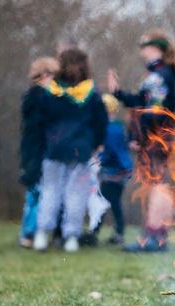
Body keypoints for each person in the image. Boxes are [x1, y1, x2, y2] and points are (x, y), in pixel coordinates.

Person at [107, 28, 175, 252]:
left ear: (156, 48)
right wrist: (118, 93)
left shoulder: (162, 74)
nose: (142, 52)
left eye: (145, 47)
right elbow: (141, 101)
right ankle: (158, 237)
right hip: (156, 137)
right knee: (159, 185)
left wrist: (140, 136)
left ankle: (153, 237)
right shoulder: (158, 73)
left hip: (157, 138)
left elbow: (154, 111)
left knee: (157, 185)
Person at [32, 49, 108, 252]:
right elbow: (101, 122)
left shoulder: (51, 92)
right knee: (76, 194)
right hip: (80, 150)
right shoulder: (91, 93)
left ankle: (41, 234)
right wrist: (97, 143)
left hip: (54, 149)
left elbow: (40, 121)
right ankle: (71, 237)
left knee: (49, 191)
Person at [19, 57, 59, 248]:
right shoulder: (39, 96)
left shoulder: (33, 96)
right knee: (37, 193)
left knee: (36, 194)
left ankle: (30, 234)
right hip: (37, 152)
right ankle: (30, 233)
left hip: (34, 151)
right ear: (44, 75)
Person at [95, 94, 133, 244]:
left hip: (115, 171)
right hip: (122, 170)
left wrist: (98, 161)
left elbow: (109, 151)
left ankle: (96, 232)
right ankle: (118, 232)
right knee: (113, 201)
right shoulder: (119, 126)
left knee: (103, 200)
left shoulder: (109, 128)